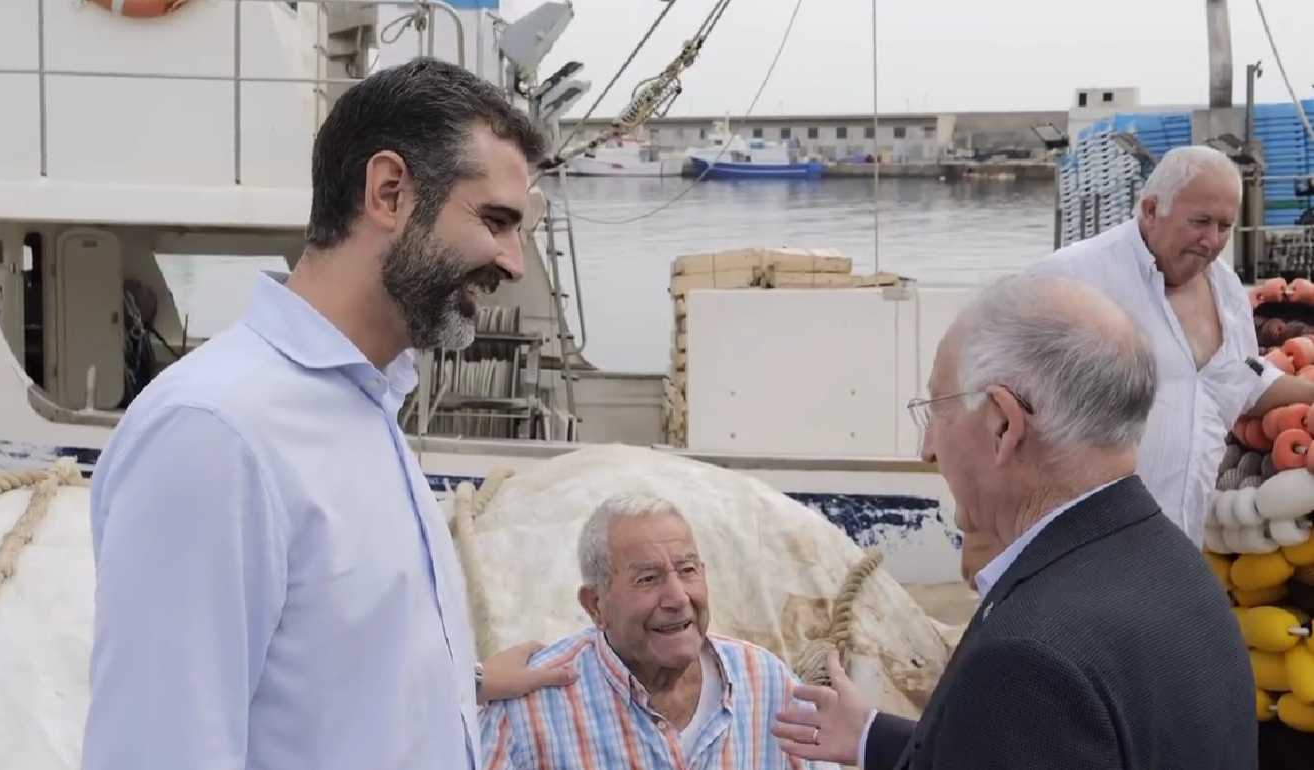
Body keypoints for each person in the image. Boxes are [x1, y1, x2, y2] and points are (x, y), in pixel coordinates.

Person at [82, 57, 575, 770]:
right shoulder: (216, 432)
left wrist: (458, 683)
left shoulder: (363, 406)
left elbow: (327, 673)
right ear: (389, 191)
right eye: (495, 220)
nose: (513, 262)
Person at [772, 273, 1256, 770]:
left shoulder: (1029, 661)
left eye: (938, 411)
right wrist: (872, 737)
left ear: (1003, 423)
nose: (927, 450)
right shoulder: (1177, 571)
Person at [1025, 144, 1314, 544]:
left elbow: (1239, 380)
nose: (1212, 241)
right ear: (1150, 210)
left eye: (1225, 226)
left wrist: (1309, 393)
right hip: (1081, 546)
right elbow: (992, 382)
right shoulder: (1075, 276)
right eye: (1200, 221)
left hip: (1179, 542)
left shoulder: (1226, 289)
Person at [480, 492, 839, 770]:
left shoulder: (770, 686)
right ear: (595, 605)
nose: (677, 597)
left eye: (687, 570)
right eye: (648, 579)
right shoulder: (528, 711)